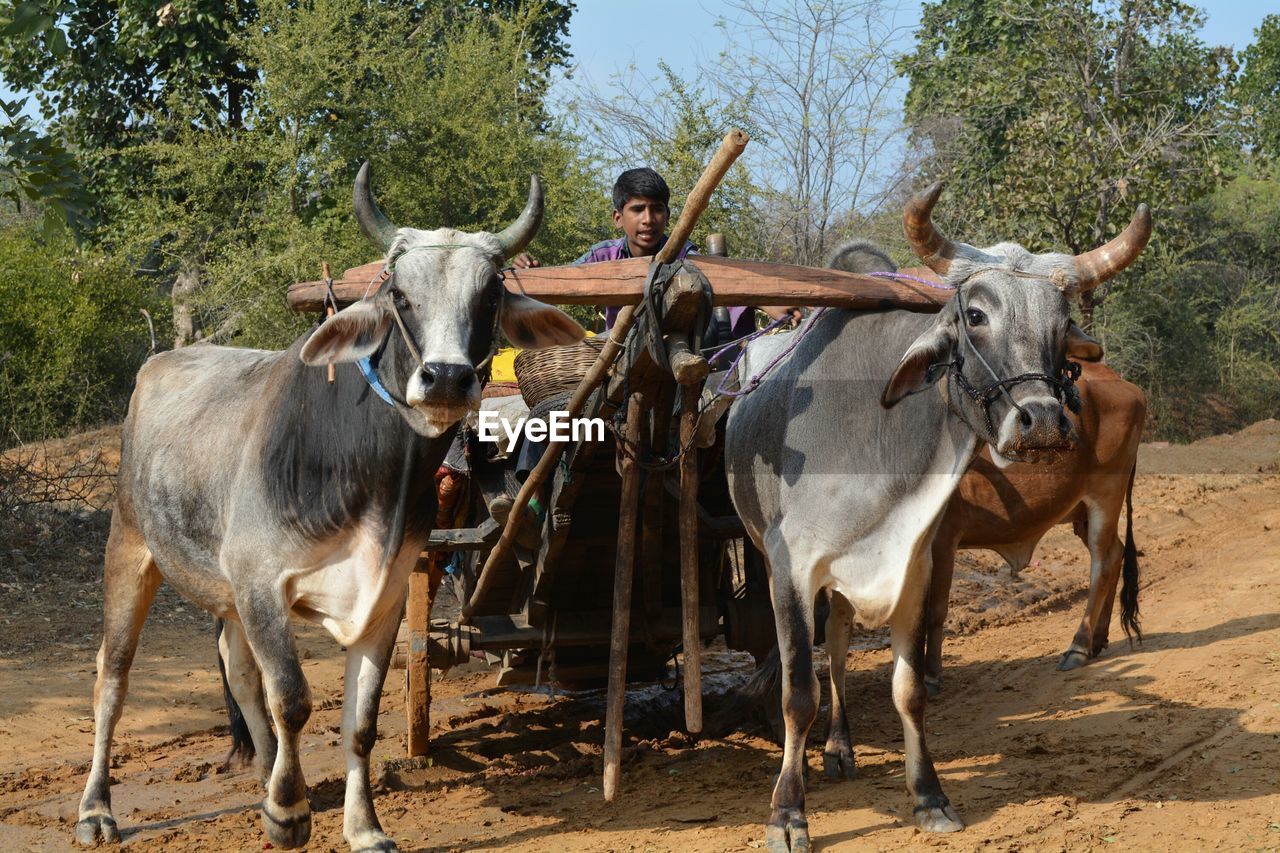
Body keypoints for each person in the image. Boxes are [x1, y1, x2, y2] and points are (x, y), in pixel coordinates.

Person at [513, 167, 799, 335]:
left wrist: (766, 301)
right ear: (618, 218)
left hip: (679, 359)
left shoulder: (685, 255)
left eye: (656, 210)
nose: (648, 219)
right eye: (637, 210)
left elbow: (727, 281)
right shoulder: (602, 257)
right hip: (617, 361)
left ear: (667, 215)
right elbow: (563, 280)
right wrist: (532, 275)